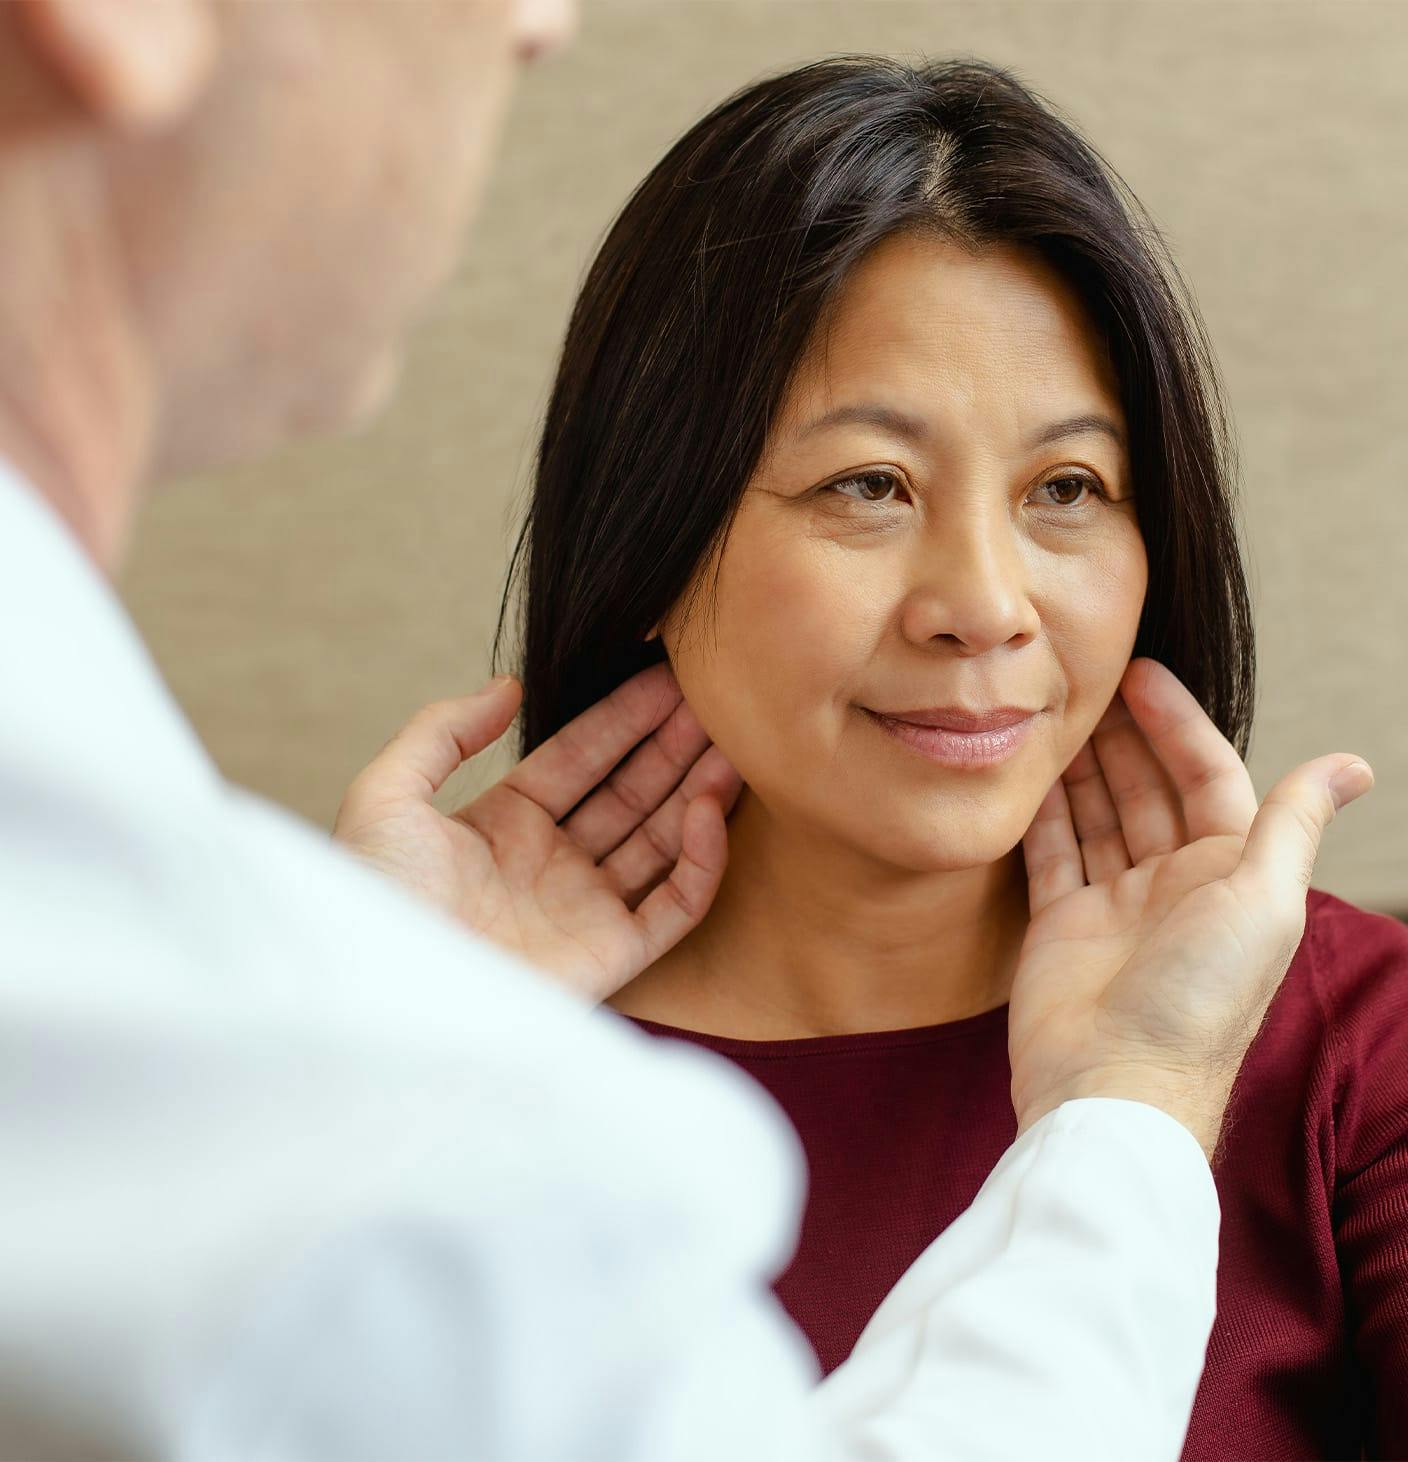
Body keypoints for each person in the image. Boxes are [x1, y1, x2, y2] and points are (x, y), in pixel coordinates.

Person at [0, 4, 1371, 1458]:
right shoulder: (220, 977)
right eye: (867, 484)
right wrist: (405, 1041)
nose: (984, 603)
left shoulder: (1347, 1036)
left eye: (1070, 488)